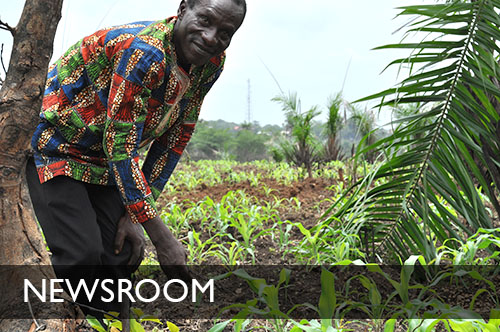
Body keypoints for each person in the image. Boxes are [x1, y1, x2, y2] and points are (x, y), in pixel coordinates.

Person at [25, 0, 246, 317]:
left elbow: (176, 136)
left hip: (104, 159)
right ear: (183, 9)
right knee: (81, 254)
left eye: (225, 33)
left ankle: (105, 322)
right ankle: (57, 320)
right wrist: (162, 237)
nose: (211, 37)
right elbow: (122, 146)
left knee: (122, 251)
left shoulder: (210, 63)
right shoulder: (145, 51)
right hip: (55, 144)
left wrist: (135, 215)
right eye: (205, 20)